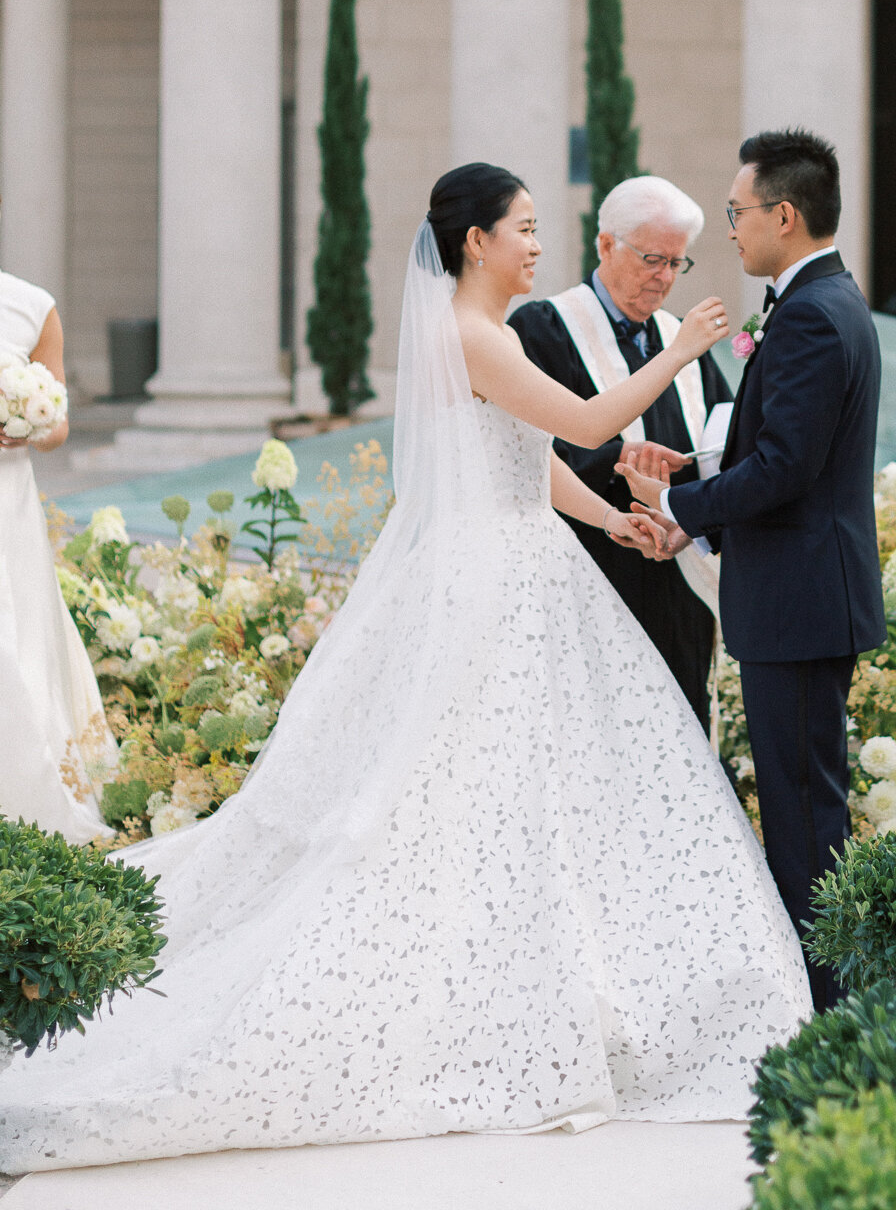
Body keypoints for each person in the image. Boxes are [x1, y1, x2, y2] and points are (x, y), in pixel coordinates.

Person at [0, 163, 810, 1175]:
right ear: (475, 242)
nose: (533, 245)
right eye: (520, 228)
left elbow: (537, 462)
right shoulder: (470, 335)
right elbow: (593, 424)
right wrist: (683, 349)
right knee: (465, 800)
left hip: (523, 564)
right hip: (493, 585)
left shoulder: (483, 338)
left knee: (531, 802)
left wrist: (618, 519)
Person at [619, 129, 886, 1012]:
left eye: (736, 213)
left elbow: (786, 468)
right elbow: (772, 452)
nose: (730, 230)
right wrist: (692, 472)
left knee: (806, 817)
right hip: (804, 600)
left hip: (801, 605)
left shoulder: (811, 312)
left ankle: (829, 1011)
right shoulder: (823, 300)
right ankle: (823, 999)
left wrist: (677, 512)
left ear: (784, 213)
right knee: (806, 807)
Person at [509, 177, 732, 729]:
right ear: (606, 245)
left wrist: (696, 470)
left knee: (678, 734)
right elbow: (527, 447)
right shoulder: (542, 329)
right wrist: (620, 460)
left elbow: (723, 428)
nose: (664, 278)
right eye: (653, 259)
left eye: (678, 264)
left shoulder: (677, 337)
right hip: (589, 572)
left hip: (677, 576)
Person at [0, 260, 117, 843]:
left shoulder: (32, 306)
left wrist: (26, 425)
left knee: (17, 639)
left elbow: (58, 425)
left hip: (8, 502)